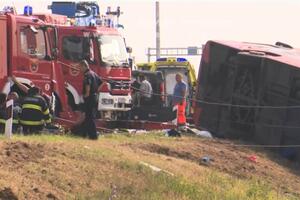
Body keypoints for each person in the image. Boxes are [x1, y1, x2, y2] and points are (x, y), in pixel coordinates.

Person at [79, 59, 102, 140]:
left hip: (89, 98)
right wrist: (96, 90)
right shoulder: (94, 74)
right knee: (88, 116)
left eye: (80, 67)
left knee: (89, 117)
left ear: (84, 66)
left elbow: (87, 84)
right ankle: (84, 134)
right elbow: (102, 82)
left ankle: (93, 136)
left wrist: (87, 94)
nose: (80, 69)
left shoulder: (87, 75)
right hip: (95, 97)